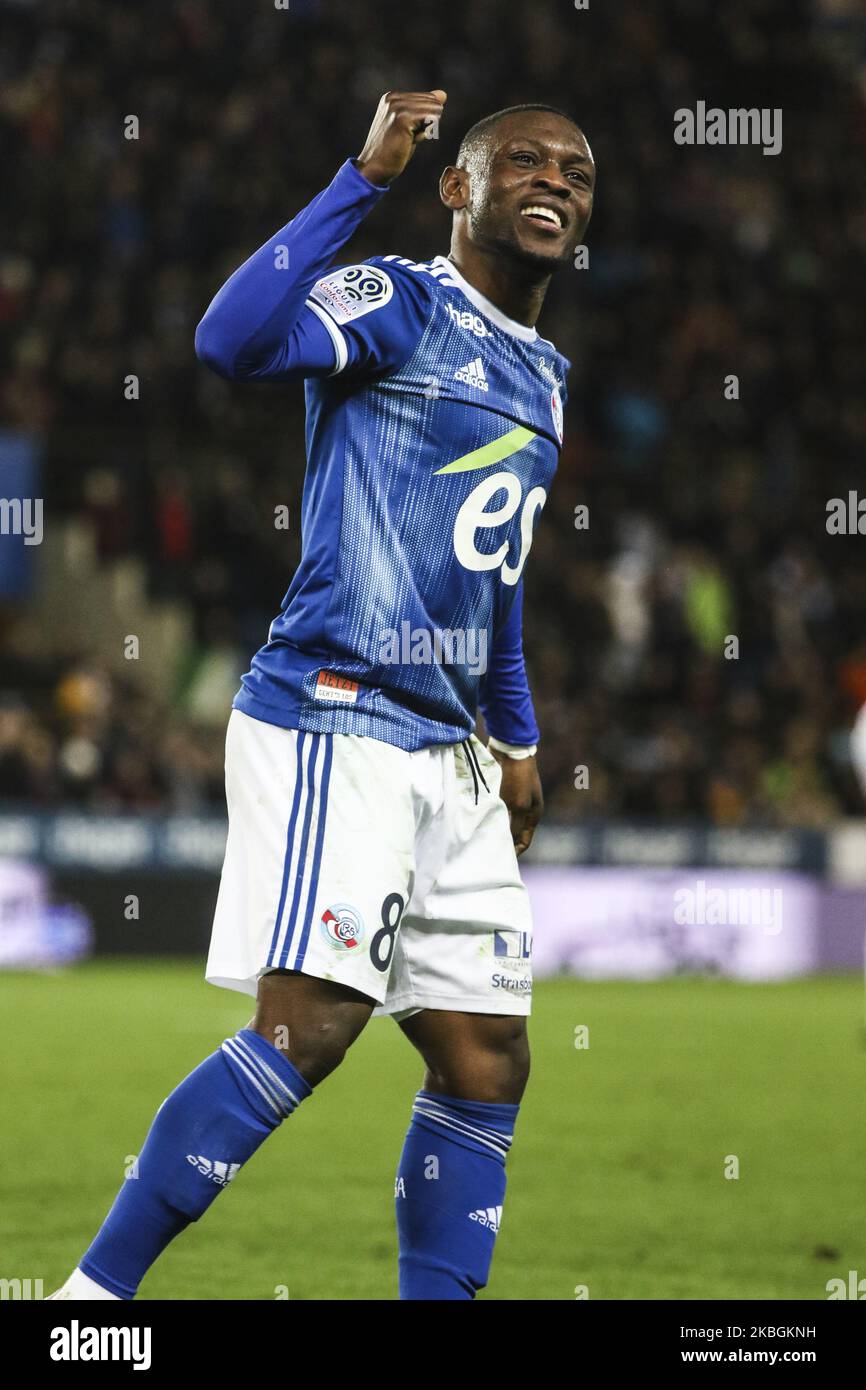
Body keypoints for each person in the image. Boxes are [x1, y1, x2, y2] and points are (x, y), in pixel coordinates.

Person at [50, 89, 595, 1302]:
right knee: (309, 1027)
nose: (552, 180)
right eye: (520, 163)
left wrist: (515, 736)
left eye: (573, 170)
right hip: (336, 710)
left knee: (484, 1056)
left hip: (451, 752)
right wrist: (358, 178)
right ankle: (87, 1307)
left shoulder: (546, 377)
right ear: (456, 188)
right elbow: (226, 342)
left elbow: (492, 581)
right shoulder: (402, 304)